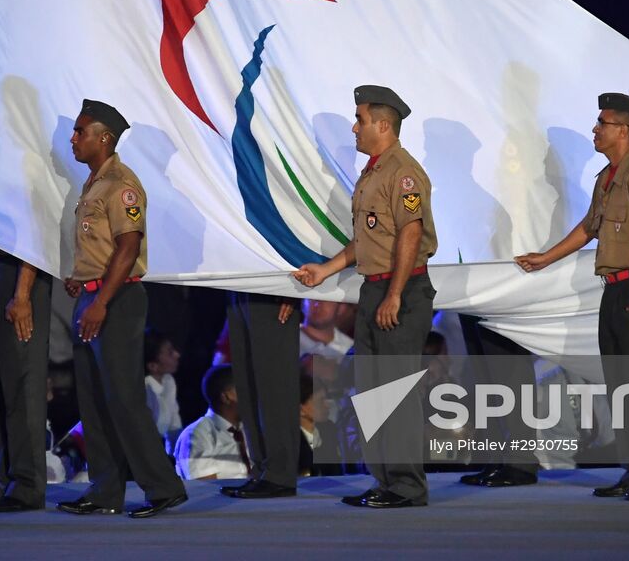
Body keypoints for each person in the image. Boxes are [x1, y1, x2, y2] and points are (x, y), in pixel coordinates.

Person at [516, 93, 629, 501]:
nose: (595, 129)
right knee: (622, 383)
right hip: (615, 288)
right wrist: (546, 258)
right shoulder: (608, 177)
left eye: (602, 123)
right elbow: (589, 227)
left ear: (623, 131)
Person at [295, 85, 438, 509]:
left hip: (402, 289)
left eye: (359, 119)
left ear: (383, 124)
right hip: (375, 289)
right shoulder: (374, 172)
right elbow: (369, 238)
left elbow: (410, 235)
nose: (354, 128)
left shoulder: (403, 172)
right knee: (373, 390)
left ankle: (408, 486)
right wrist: (326, 269)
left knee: (394, 390)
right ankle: (387, 481)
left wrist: (394, 294)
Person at [58, 100, 187, 519]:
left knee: (123, 397)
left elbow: (129, 247)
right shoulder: (95, 182)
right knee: (93, 398)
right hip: (93, 297)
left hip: (116, 301)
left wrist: (101, 300)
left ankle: (163, 487)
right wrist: (85, 279)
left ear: (104, 138)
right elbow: (104, 247)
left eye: (80, 132)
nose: (73, 139)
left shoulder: (121, 184)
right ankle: (104, 489)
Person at [0, 240, 53, 512]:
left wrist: (23, 294)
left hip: (15, 272)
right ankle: (2, 479)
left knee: (22, 383)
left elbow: (36, 230)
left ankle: (27, 484)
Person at [220, 291, 299, 499]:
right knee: (248, 384)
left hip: (273, 286)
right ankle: (262, 470)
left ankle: (279, 474)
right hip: (237, 283)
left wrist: (291, 291)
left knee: (273, 384)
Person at [456, 316, 540, 487]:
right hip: (468, 296)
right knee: (484, 377)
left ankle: (520, 462)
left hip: (502, 297)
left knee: (510, 372)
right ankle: (497, 459)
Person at [173, 365, 252, 481]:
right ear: (226, 397)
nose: (253, 397)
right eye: (246, 390)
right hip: (225, 499)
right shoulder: (197, 434)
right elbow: (205, 489)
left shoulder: (249, 430)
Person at [143, 328, 183, 445]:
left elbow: (174, 426)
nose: (177, 354)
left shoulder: (168, 380)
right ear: (153, 366)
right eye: (170, 353)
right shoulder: (146, 391)